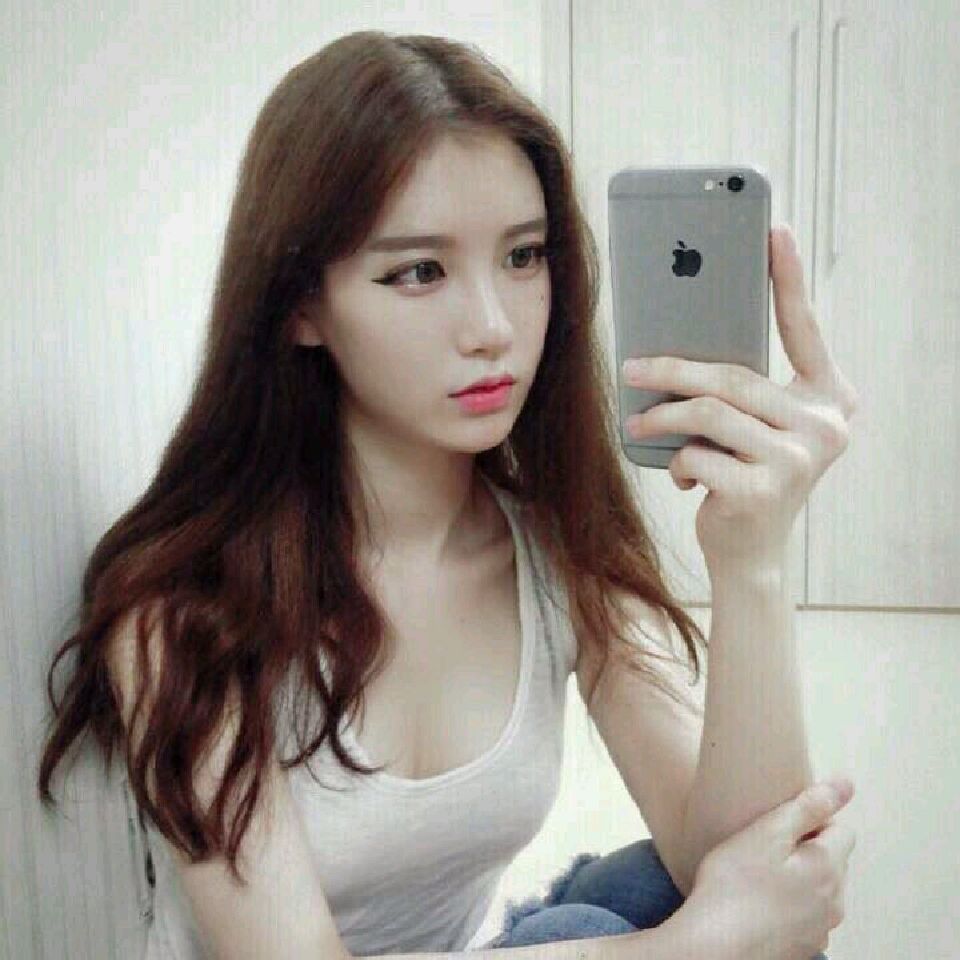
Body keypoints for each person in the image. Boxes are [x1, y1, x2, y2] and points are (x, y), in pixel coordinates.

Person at [36, 29, 849, 960]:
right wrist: (674, 951)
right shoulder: (186, 609)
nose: (493, 326)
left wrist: (753, 555)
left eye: (524, 256)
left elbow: (771, 888)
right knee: (618, 931)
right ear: (300, 305)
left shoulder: (552, 550)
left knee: (702, 887)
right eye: (419, 271)